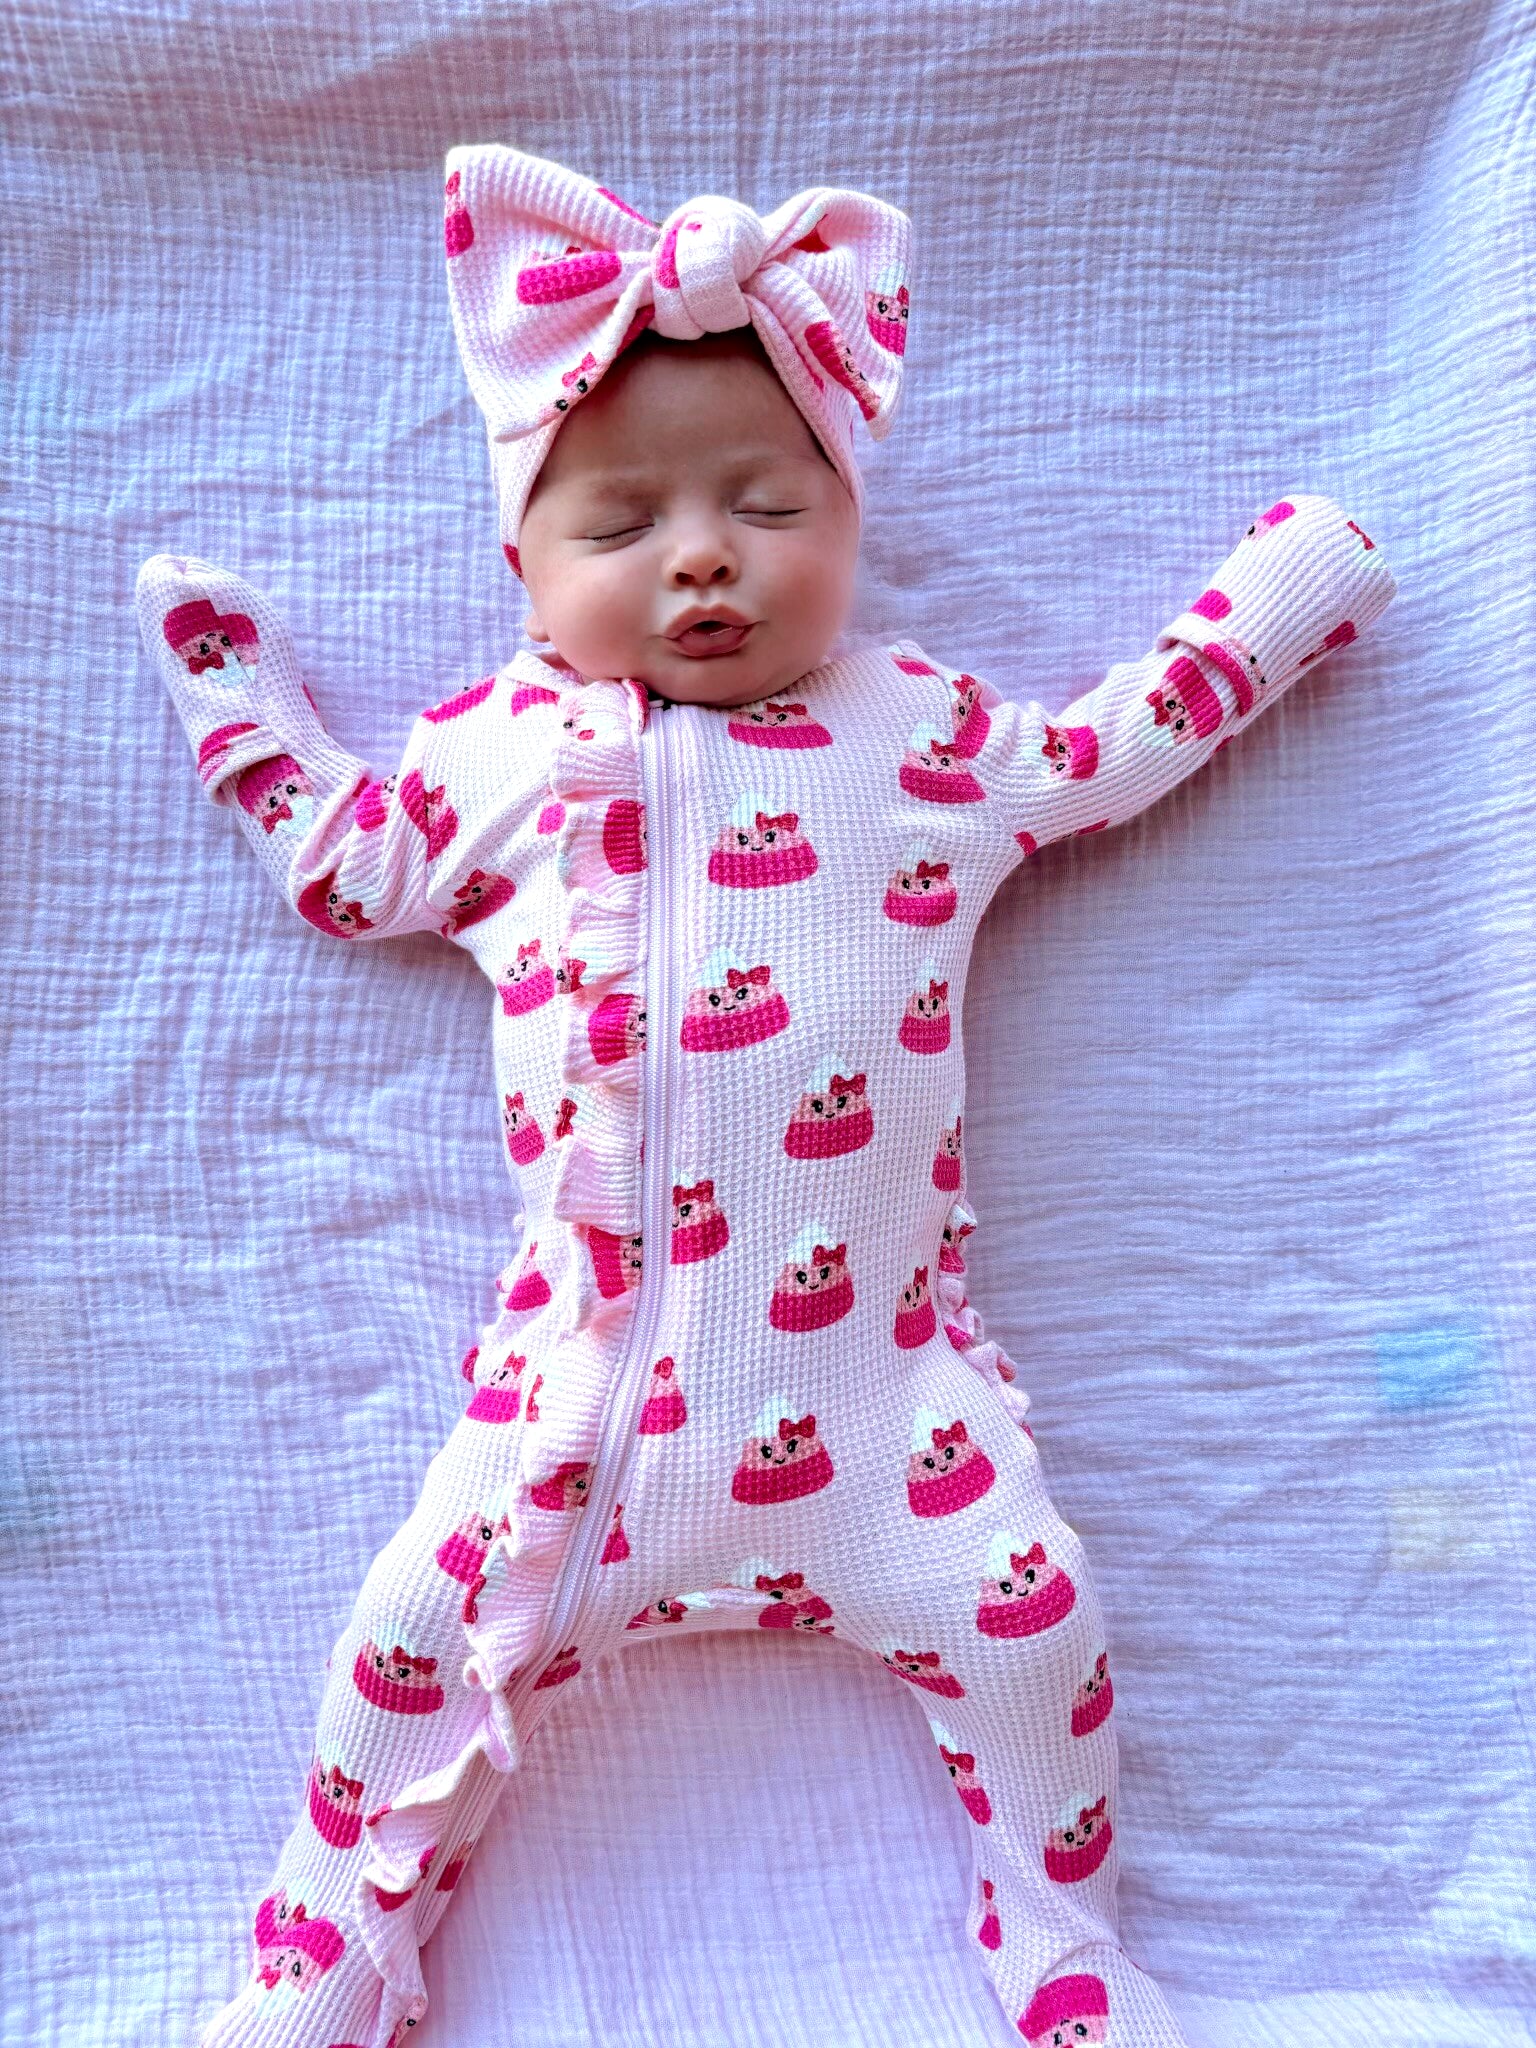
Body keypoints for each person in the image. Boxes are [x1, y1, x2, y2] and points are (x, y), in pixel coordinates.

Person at [136, 144, 1397, 2048]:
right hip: (576, 1432)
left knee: (1036, 1620)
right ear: (525, 564)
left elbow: (1111, 749)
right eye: (619, 520)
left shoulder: (925, 739)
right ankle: (323, 1969)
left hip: (892, 1401)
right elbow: (351, 872)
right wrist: (247, 709)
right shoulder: (504, 759)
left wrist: (1285, 600)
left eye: (766, 501)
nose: (702, 554)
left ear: (849, 520)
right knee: (408, 1642)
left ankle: (1065, 1947)